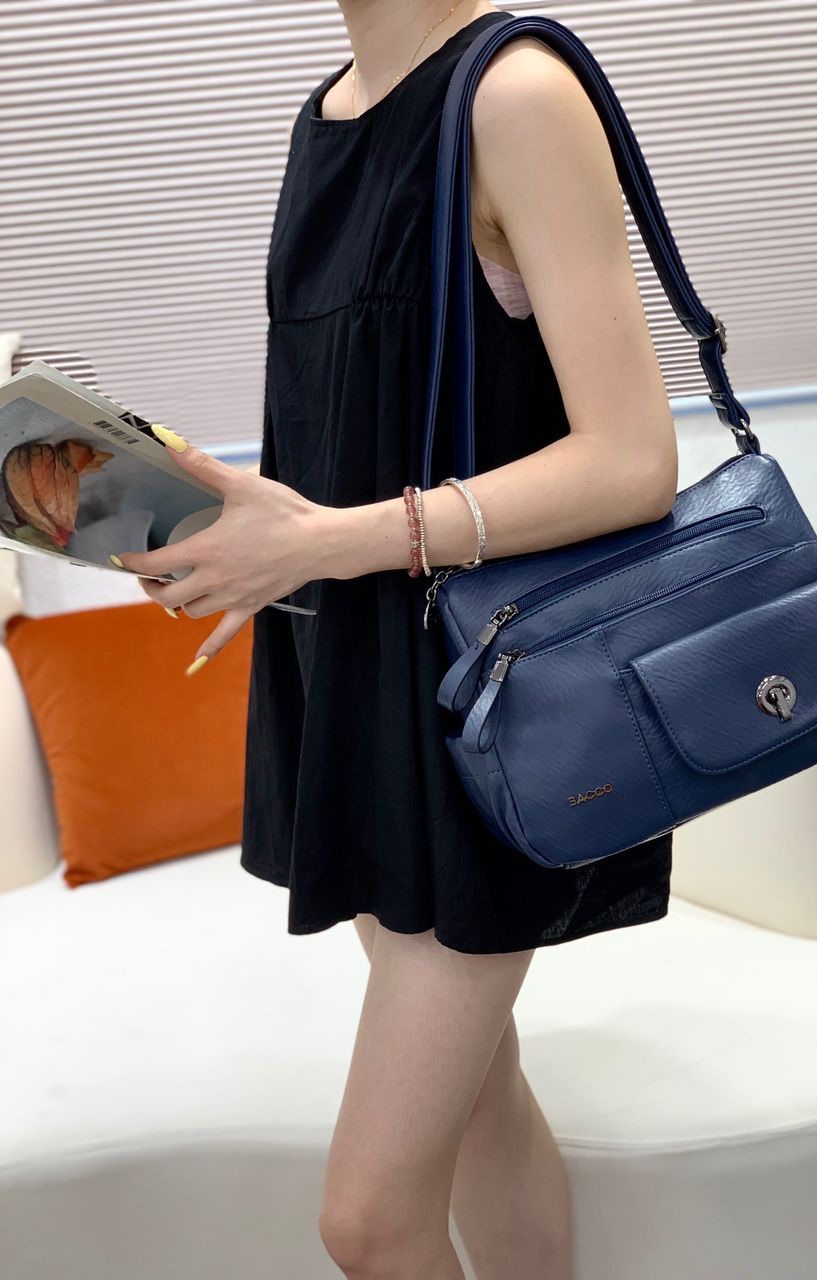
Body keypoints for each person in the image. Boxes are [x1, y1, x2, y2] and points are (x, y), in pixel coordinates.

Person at [116, 3, 679, 1276]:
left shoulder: (514, 95)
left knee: (368, 1220)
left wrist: (322, 542)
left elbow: (633, 459)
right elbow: (350, 439)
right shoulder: (324, 119)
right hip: (356, 684)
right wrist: (237, 542)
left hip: (487, 711)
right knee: (478, 1096)